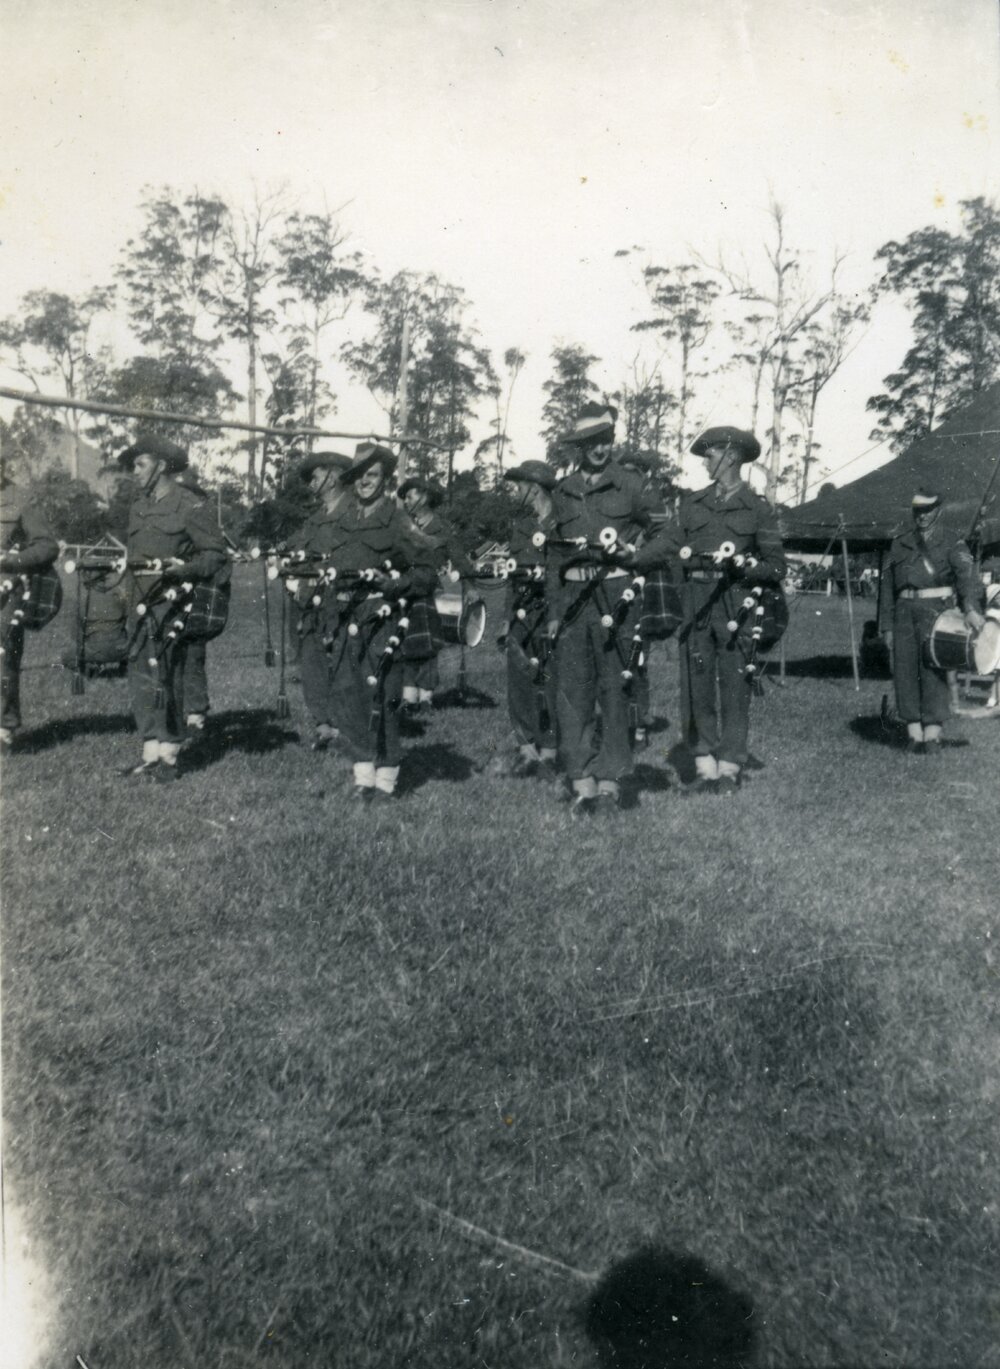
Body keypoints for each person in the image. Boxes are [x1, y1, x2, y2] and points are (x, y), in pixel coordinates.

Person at [641, 426, 785, 794]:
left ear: (731, 457)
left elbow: (777, 566)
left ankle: (730, 766)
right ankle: (704, 765)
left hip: (736, 604)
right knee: (696, 684)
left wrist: (744, 566)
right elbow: (668, 543)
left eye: (710, 453)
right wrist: (634, 558)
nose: (705, 460)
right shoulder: (692, 504)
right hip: (695, 604)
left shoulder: (758, 510)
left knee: (735, 685)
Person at [546, 403, 661, 815]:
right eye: (590, 442)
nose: (599, 448)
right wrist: (554, 612)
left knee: (616, 689)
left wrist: (637, 555)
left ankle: (611, 783)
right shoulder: (563, 492)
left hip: (617, 597)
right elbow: (555, 558)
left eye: (605, 440)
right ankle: (582, 783)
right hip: (574, 605)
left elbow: (666, 532)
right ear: (578, 446)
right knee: (572, 694)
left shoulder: (632, 485)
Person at [318, 442, 437, 801]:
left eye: (372, 475)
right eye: (358, 476)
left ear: (385, 479)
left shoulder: (396, 518)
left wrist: (397, 583)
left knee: (381, 697)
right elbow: (330, 573)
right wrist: (327, 618)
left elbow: (428, 570)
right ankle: (362, 774)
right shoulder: (341, 519)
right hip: (344, 618)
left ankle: (385, 779)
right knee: (346, 696)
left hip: (380, 619)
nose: (364, 482)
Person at [118, 434, 228, 780]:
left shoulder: (189, 506)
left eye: (140, 464)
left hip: (171, 604)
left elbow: (214, 556)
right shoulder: (139, 505)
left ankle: (169, 755)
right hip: (137, 603)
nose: (134, 471)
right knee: (140, 674)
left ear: (162, 466)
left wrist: (181, 569)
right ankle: (150, 752)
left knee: (168, 675)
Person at [889, 489, 984, 752]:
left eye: (927, 510)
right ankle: (913, 732)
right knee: (905, 671)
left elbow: (967, 576)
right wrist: (885, 624)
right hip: (904, 611)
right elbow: (888, 587)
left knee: (935, 670)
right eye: (917, 511)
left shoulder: (952, 541)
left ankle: (932, 733)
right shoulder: (900, 543)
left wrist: (971, 608)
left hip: (937, 613)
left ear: (938, 511)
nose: (922, 516)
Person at [281, 451, 354, 751]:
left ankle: (348, 725)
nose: (311, 483)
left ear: (333, 477)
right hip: (312, 604)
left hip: (344, 600)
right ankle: (323, 725)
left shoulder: (355, 513)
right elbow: (293, 551)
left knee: (345, 662)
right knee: (312, 660)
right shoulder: (314, 520)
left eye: (315, 477)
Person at [499, 460, 559, 778]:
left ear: (534, 489)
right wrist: (506, 617)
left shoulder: (561, 525)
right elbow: (512, 577)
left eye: (520, 487)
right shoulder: (521, 527)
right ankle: (526, 749)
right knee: (519, 681)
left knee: (549, 679)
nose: (516, 493)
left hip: (550, 612)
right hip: (522, 613)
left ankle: (550, 750)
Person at [396, 478, 473, 713]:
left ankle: (426, 697)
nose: (406, 502)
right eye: (405, 498)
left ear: (424, 498)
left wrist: (469, 586)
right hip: (404, 591)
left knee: (428, 647)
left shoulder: (442, 528)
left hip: (430, 592)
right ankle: (408, 698)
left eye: (410, 497)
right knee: (404, 643)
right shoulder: (403, 526)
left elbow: (459, 559)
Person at [1, 466, 60, 747]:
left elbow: (48, 547)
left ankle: (4, 728)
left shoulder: (22, 499)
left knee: (3, 659)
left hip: (6, 590)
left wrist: (8, 561)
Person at [172, 467, 231, 735]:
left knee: (193, 653)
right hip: (176, 593)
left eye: (189, 494)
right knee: (174, 654)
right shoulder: (176, 523)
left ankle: (196, 711)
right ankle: (178, 710)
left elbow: (219, 563)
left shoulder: (201, 521)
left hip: (199, 595)